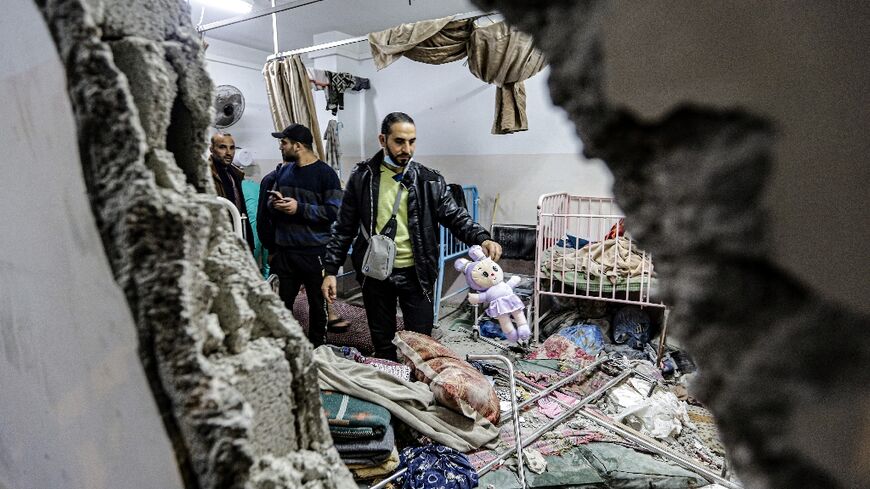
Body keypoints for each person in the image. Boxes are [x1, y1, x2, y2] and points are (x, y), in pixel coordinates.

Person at [321, 112, 503, 360]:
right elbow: (344, 226)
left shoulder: (429, 180)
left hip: (417, 274)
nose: (407, 148)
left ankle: (418, 388)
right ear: (382, 139)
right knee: (383, 343)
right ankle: (390, 386)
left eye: (412, 141)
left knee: (421, 345)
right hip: (375, 274)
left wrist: (482, 237)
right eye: (399, 141)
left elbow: (455, 216)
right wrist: (331, 269)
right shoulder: (363, 177)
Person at [257, 123, 343, 347]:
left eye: (283, 143)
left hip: (313, 253)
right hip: (286, 252)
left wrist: (300, 208)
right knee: (281, 304)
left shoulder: (326, 175)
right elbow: (269, 204)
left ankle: (317, 349)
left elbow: (333, 212)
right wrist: (275, 202)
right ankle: (284, 347)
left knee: (318, 304)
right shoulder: (284, 171)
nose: (281, 148)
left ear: (298, 146)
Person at [209, 132, 255, 252]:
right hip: (218, 239)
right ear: (211, 149)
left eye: (232, 147)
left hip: (238, 232)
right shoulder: (205, 174)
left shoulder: (235, 173)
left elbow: (240, 207)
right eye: (222, 147)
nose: (229, 153)